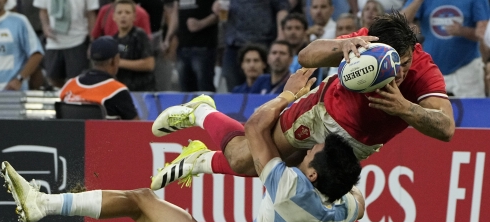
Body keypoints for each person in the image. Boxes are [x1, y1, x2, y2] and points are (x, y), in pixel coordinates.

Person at [0, 68, 364, 222]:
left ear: (312, 174)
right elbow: (352, 180)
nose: (308, 148)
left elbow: (254, 132)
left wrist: (287, 94)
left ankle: (41, 204)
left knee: (142, 200)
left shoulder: (292, 191)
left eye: (312, 154)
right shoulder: (345, 208)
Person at [150, 11, 455, 188]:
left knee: (283, 182)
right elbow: (306, 56)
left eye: (403, 62)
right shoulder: (365, 41)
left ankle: (199, 155)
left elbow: (446, 128)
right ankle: (201, 114)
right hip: (321, 114)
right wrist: (343, 46)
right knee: (248, 160)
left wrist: (405, 108)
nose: (398, 71)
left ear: (413, 51)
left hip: (357, 145)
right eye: (392, 63)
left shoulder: (424, 70)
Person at [402, 0, 490, 98]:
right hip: (431, 69)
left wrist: (462, 31)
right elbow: (400, 22)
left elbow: (483, 34)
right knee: (430, 111)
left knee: (475, 110)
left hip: (467, 69)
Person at [59, 36, 138, 120]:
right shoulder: (117, 90)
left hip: (70, 133)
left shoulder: (69, 85)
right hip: (104, 133)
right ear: (114, 60)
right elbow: (136, 127)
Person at [217, 0, 289, 91]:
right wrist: (217, 7)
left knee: (264, 82)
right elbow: (221, 4)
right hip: (234, 42)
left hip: (262, 40)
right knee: (230, 79)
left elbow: (282, 7)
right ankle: (237, 104)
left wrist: (281, 34)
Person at [34, 0, 98, 88]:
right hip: (54, 41)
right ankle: (63, 95)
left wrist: (92, 41)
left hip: (78, 39)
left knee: (77, 79)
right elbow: (43, 10)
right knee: (53, 77)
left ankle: (73, 97)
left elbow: (91, 14)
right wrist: (45, 27)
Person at [171, 0, 219, 92]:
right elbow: (175, 13)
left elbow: (220, 12)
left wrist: (201, 23)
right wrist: (169, 37)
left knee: (204, 90)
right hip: (183, 46)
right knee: (184, 90)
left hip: (203, 46)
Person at [112, 0, 155, 92]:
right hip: (122, 91)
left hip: (142, 91)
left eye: (127, 12)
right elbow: (125, 48)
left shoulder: (139, 35)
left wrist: (119, 63)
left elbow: (149, 64)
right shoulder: (114, 40)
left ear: (134, 17)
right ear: (114, 17)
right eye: (119, 12)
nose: (123, 16)